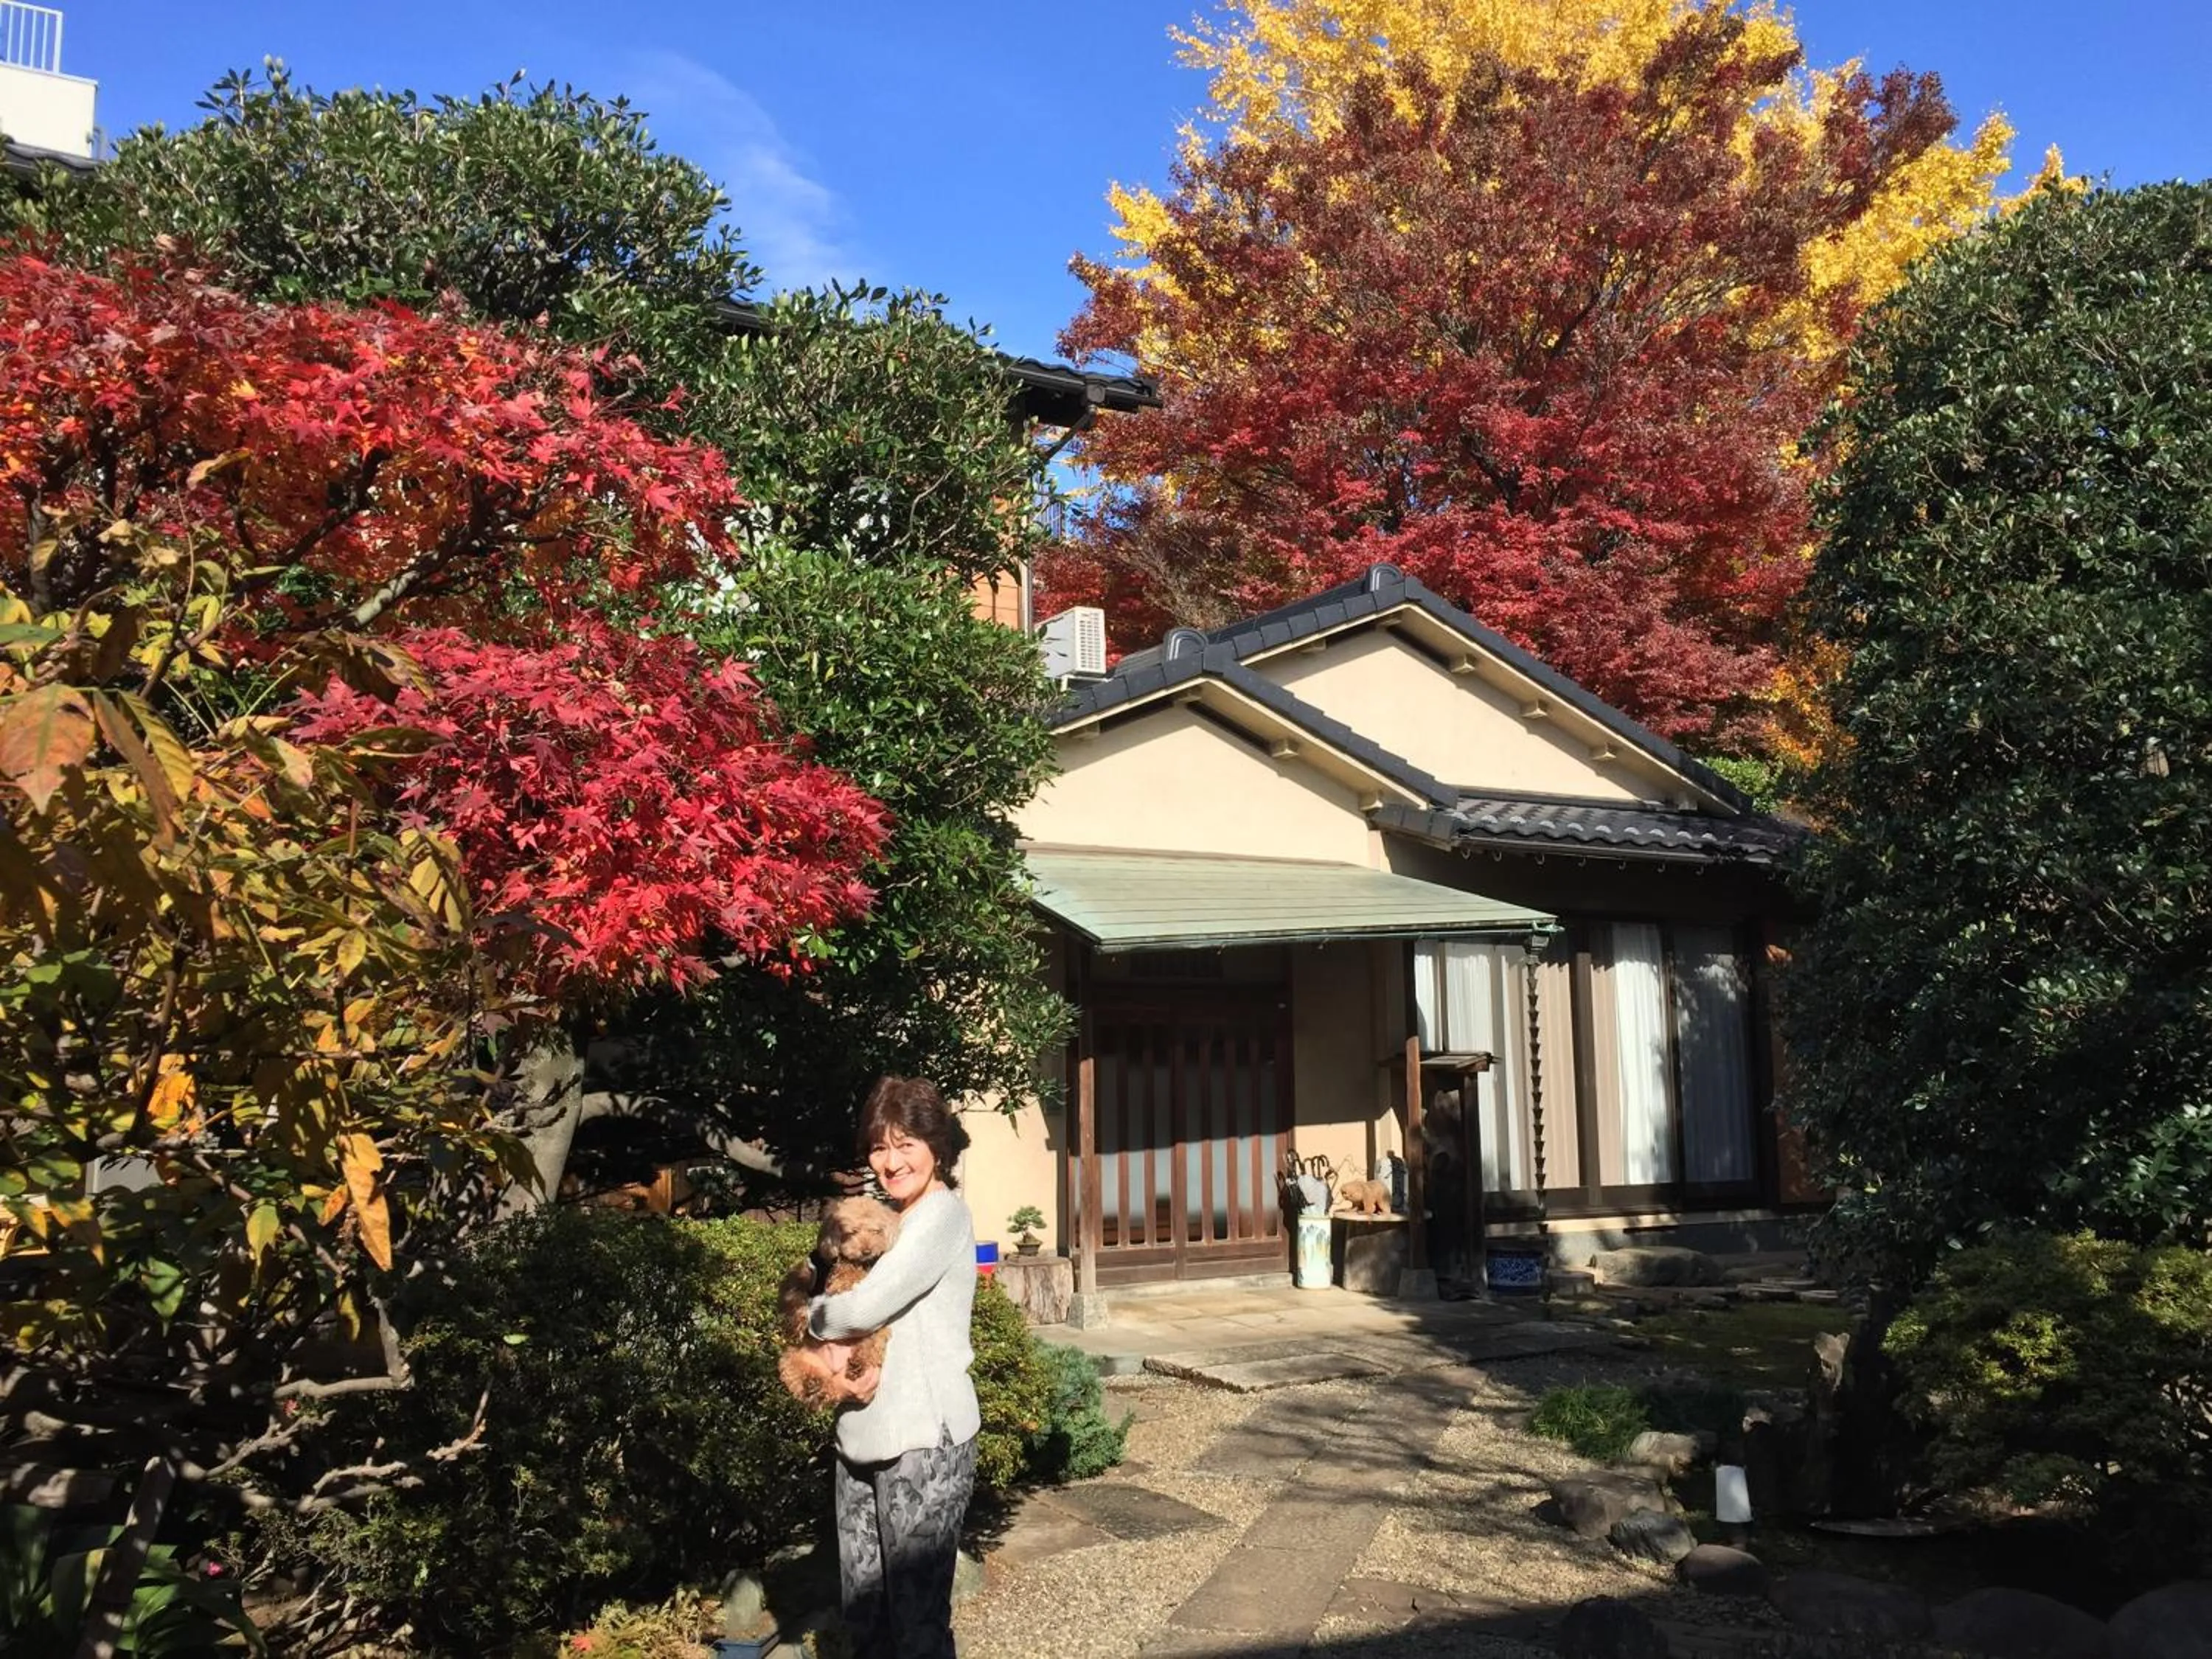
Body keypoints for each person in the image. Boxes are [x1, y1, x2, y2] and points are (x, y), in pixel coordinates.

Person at [808, 1077, 978, 1659]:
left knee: (917, 1625)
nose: (890, 1160)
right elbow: (832, 1284)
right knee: (866, 1620)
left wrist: (814, 1317)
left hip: (924, 1438)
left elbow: (862, 1306)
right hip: (860, 1430)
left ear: (937, 1146)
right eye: (880, 1147)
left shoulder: (941, 1217)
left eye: (906, 1144)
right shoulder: (882, 1217)